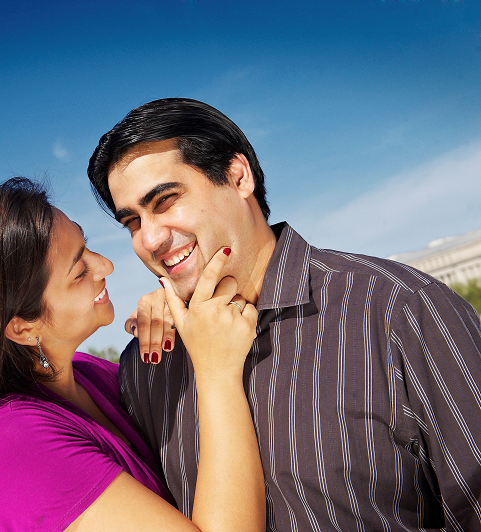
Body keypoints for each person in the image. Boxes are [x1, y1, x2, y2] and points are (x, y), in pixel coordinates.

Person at [87, 97, 481, 531]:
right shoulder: (147, 367)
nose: (151, 239)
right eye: (132, 222)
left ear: (238, 177)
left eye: (165, 201)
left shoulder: (399, 310)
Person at [0, 177, 265, 531]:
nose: (105, 266)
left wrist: (179, 305)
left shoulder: (90, 374)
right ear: (24, 327)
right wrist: (217, 373)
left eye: (87, 247)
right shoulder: (10, 445)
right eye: (80, 270)